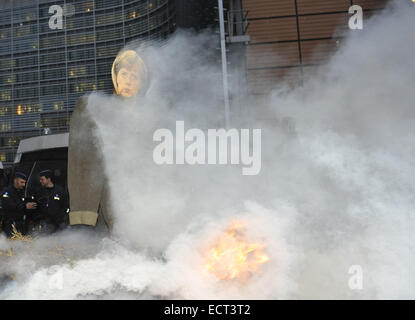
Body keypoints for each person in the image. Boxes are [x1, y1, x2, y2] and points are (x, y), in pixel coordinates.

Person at [67, 49, 148, 230]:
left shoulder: (150, 117)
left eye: (134, 77)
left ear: (141, 84)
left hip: (145, 207)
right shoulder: (93, 110)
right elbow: (82, 161)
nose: (127, 80)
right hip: (109, 208)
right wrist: (83, 214)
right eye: (124, 74)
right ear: (115, 77)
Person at [29, 169, 69, 234]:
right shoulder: (39, 192)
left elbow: (66, 205)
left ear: (48, 179)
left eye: (42, 179)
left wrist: (62, 218)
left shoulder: (60, 191)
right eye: (40, 179)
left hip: (59, 224)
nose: (40, 181)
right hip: (44, 224)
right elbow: (35, 207)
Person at [1, 172, 37, 237]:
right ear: (15, 180)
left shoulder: (22, 192)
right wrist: (25, 206)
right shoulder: (7, 192)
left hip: (21, 224)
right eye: (22, 182)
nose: (24, 185)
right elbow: (8, 205)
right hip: (10, 225)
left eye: (25, 183)